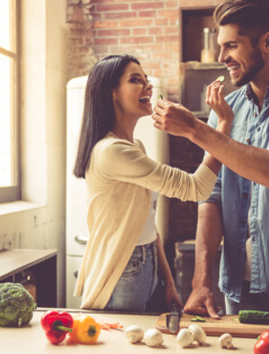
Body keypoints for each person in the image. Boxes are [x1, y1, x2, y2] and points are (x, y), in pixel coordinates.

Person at [153, 0, 269, 320]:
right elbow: (212, 194)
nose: (222, 56)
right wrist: (202, 278)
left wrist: (195, 128)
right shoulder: (230, 108)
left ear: (268, 42)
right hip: (238, 284)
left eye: (231, 45)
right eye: (220, 45)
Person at [72, 54, 233, 312]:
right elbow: (197, 188)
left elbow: (146, 222)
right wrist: (222, 126)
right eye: (136, 80)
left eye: (146, 79)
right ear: (111, 92)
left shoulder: (134, 147)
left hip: (144, 262)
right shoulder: (112, 151)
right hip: (123, 268)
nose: (148, 86)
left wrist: (167, 281)